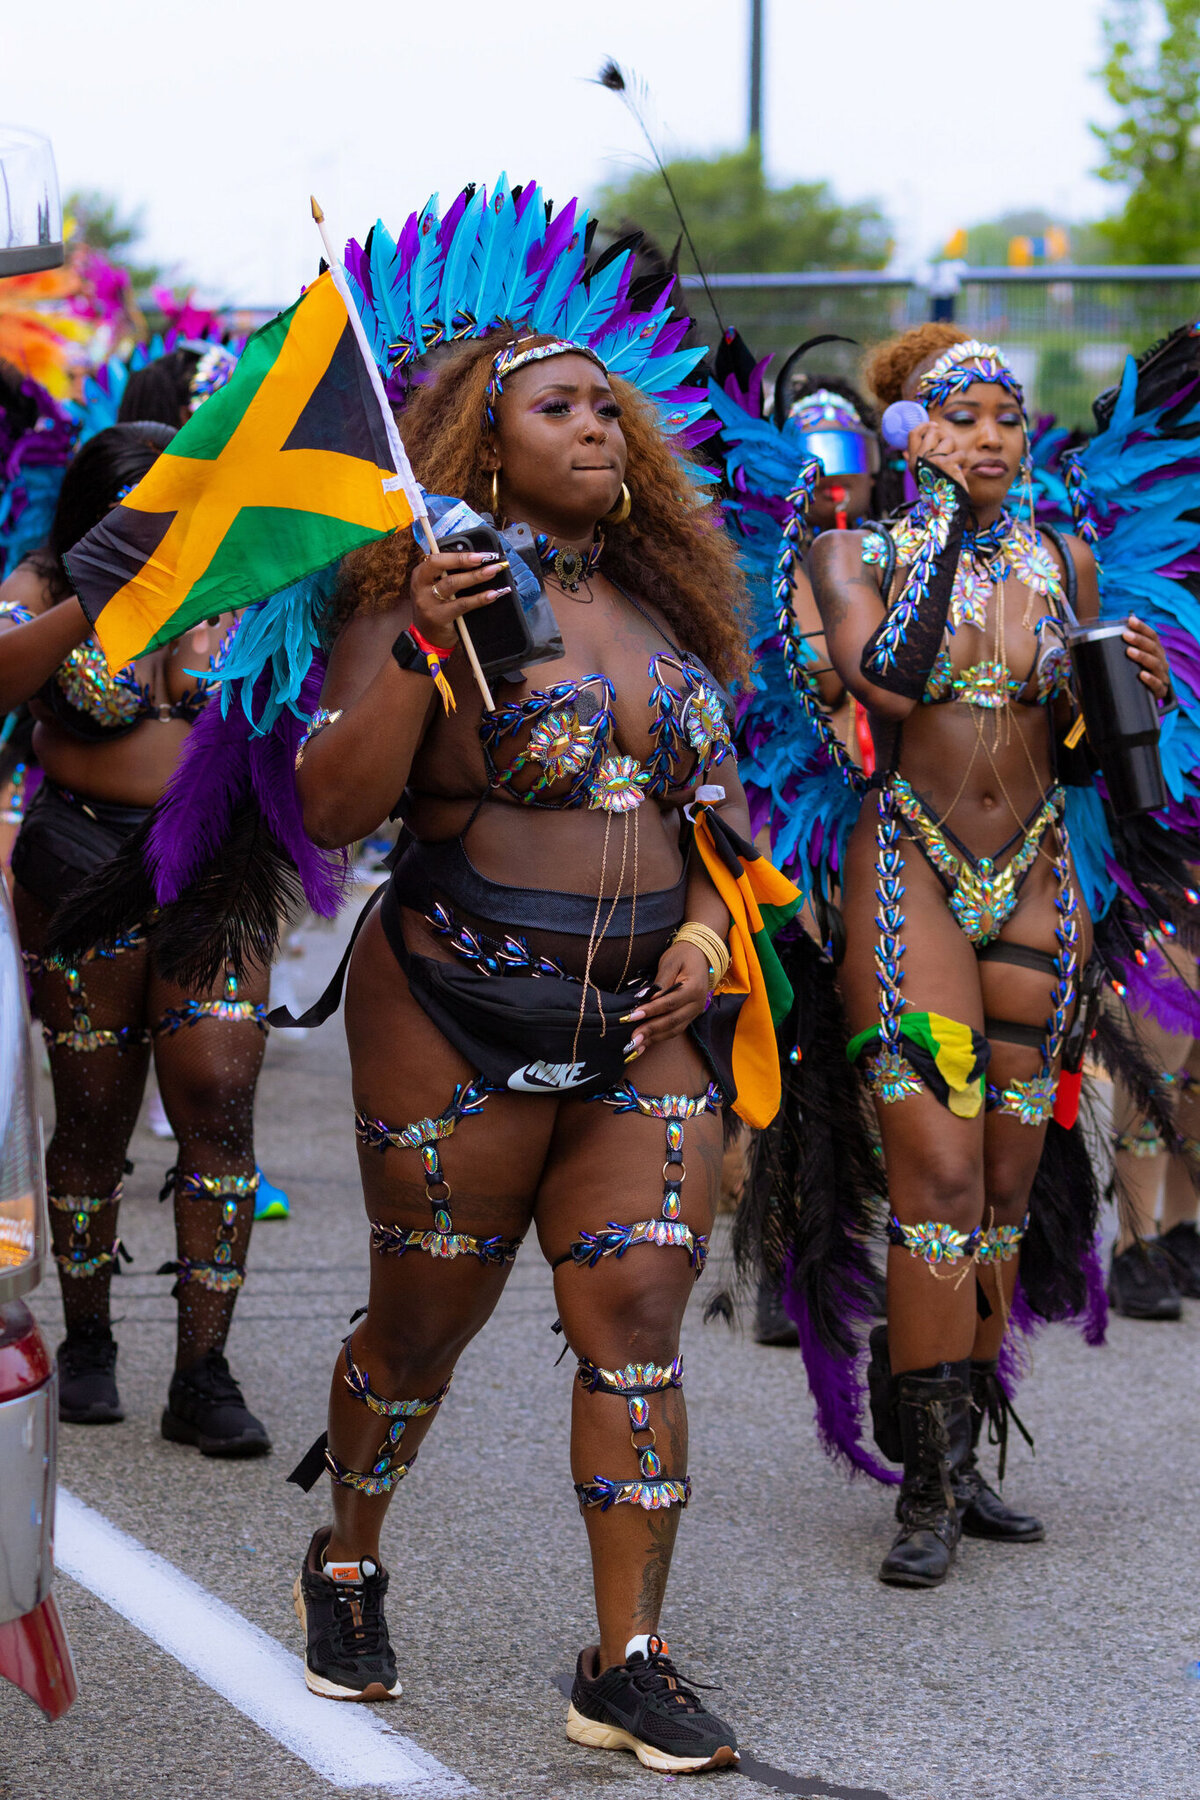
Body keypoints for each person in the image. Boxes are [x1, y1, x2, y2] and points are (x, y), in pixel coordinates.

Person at [798, 328, 1175, 1587]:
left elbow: (1071, 755)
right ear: (910, 433)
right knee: (938, 1181)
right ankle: (920, 1489)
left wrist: (1131, 694)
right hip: (906, 864)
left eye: (1010, 417)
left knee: (1005, 1198)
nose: (994, 437)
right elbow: (889, 689)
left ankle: (959, 1457)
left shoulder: (1066, 559)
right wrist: (949, 530)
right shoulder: (851, 553)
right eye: (961, 416)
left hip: (1038, 879)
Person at [0, 422, 272, 1451]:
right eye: (131, 498)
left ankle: (204, 1371)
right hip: (80, 868)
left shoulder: (242, 576)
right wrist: (103, 588)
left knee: (217, 1099)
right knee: (92, 1117)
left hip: (214, 869)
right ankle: (90, 1343)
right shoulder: (45, 581)